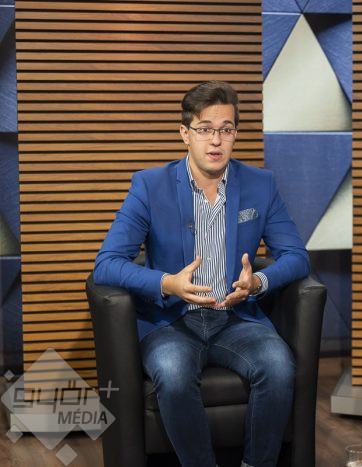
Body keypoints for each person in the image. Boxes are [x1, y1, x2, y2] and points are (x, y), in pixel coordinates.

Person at [93, 81, 310, 467]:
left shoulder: (260, 185)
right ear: (185, 133)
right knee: (173, 374)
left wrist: (257, 282)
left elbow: (296, 257)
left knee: (278, 366)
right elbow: (107, 263)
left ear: (235, 134)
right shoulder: (150, 185)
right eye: (205, 129)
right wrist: (167, 283)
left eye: (226, 129)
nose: (216, 140)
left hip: (236, 319)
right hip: (170, 322)